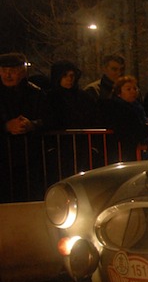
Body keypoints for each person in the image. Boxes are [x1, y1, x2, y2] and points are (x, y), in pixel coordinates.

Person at [0, 53, 49, 201]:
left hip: (28, 159)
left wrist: (32, 125)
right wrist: (6, 127)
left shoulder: (35, 93)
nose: (8, 75)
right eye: (4, 70)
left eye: (13, 70)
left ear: (22, 71)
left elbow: (49, 119)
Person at [103, 75, 148, 161]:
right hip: (124, 151)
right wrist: (147, 128)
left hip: (136, 150)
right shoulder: (116, 108)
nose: (133, 91)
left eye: (135, 88)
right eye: (128, 89)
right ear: (119, 92)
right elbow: (128, 130)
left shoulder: (138, 107)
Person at [47, 60, 98, 129]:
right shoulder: (50, 97)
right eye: (64, 76)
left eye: (72, 75)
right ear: (58, 77)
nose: (69, 79)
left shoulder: (83, 97)